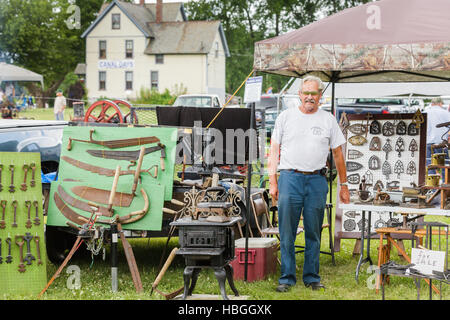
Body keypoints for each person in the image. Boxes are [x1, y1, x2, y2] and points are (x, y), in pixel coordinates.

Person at [268, 75, 350, 292]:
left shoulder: (328, 120)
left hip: (316, 180)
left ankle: (312, 277)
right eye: (307, 93)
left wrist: (344, 184)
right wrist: (273, 181)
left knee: (314, 230)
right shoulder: (285, 117)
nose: (310, 97)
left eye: (314, 93)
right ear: (300, 94)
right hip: (289, 178)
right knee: (287, 231)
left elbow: (338, 154)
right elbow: (274, 150)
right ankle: (286, 278)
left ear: (320, 96)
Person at [424, 97, 450, 174]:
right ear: (440, 103)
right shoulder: (445, 113)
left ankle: (431, 183)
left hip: (427, 141)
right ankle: (445, 183)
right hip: (441, 142)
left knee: (429, 164)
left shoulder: (425, 112)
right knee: (444, 164)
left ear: (432, 104)